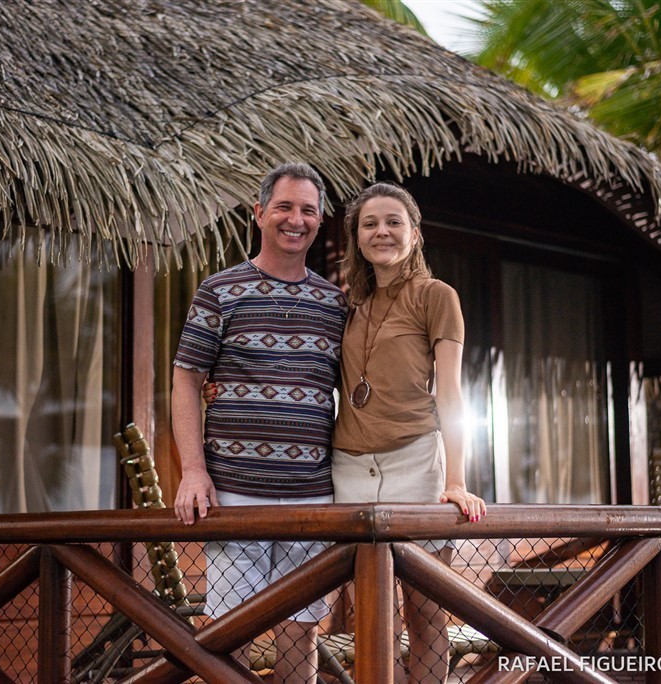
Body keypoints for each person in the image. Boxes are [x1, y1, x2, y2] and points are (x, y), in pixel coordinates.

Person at [171, 162, 348, 683]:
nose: (297, 219)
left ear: (319, 221)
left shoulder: (335, 304)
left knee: (302, 635)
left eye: (308, 210)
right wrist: (193, 470)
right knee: (227, 633)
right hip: (234, 496)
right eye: (285, 207)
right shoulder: (219, 291)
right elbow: (186, 381)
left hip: (314, 498)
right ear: (259, 213)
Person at [332, 181, 486, 683]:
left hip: (416, 460)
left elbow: (451, 395)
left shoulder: (437, 297)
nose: (382, 231)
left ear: (415, 234)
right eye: (370, 223)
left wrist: (456, 480)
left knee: (424, 609)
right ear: (357, 238)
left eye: (394, 222)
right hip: (349, 467)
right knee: (370, 612)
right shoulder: (348, 303)